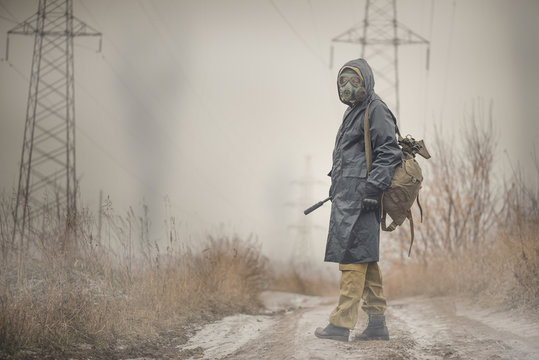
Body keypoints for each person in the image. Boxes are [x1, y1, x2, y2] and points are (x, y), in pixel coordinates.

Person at [314, 58, 402, 342]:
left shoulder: (375, 109)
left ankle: (340, 325)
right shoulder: (355, 112)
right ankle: (377, 324)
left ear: (366, 81)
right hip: (349, 197)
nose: (348, 87)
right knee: (365, 257)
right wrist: (335, 185)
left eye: (355, 81)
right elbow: (349, 158)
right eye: (343, 82)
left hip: (363, 198)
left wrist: (373, 189)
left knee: (351, 258)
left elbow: (389, 151)